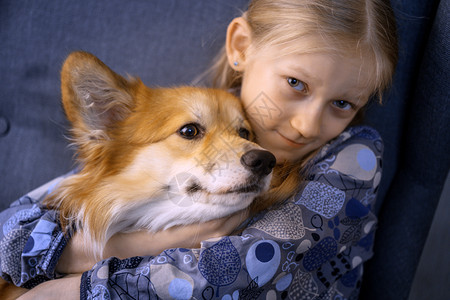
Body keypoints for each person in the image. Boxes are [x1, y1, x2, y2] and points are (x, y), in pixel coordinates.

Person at [0, 0, 398, 299]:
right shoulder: (218, 110)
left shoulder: (352, 154)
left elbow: (231, 273)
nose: (308, 125)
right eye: (295, 83)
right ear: (241, 46)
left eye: (343, 104)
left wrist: (65, 292)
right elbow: (9, 232)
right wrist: (113, 247)